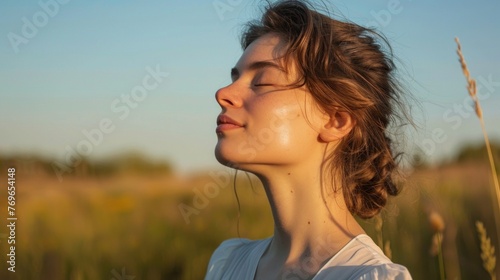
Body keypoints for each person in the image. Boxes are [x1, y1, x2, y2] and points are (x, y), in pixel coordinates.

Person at [206, 0, 412, 279]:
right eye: (235, 77)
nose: (223, 92)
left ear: (335, 120)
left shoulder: (369, 276)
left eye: (263, 81)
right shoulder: (227, 262)